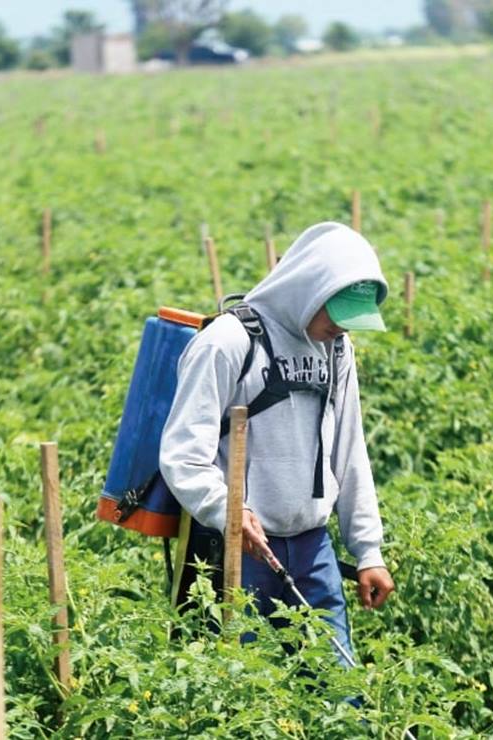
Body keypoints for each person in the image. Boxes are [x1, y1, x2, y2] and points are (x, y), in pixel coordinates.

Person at [159, 221, 395, 660]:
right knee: (240, 689)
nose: (341, 330)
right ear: (309, 290)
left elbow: (349, 449)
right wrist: (227, 509)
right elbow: (183, 454)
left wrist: (368, 552)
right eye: (335, 316)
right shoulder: (228, 342)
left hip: (312, 547)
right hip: (235, 547)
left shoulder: (337, 349)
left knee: (337, 690)